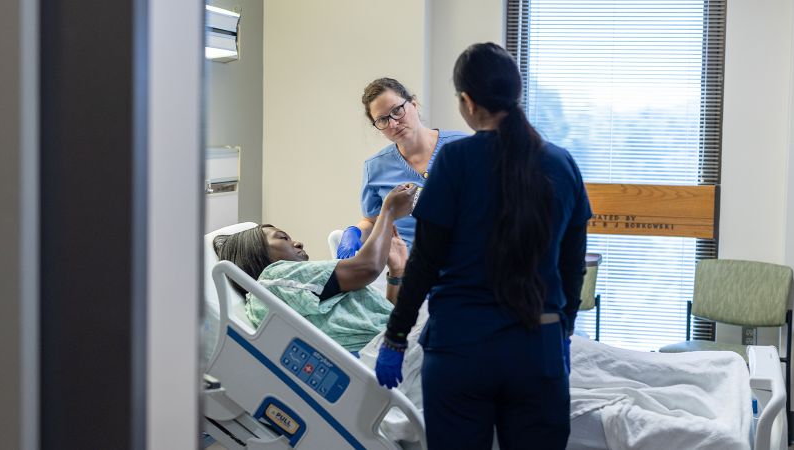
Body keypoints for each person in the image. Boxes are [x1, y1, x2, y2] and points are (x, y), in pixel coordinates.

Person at [374, 43, 592, 450]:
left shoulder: (455, 160)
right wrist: (563, 334)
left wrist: (396, 337)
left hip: (460, 350)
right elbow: (572, 266)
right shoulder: (562, 163)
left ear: (468, 102)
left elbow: (425, 262)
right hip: (536, 349)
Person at [214, 184, 415, 353]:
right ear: (256, 253)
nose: (299, 243)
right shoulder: (272, 278)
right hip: (387, 355)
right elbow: (368, 268)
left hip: (396, 345)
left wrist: (397, 272)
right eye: (283, 238)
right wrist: (387, 211)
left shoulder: (298, 289)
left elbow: (382, 319)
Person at [334, 78, 468, 259]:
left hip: (469, 262)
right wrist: (355, 233)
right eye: (382, 120)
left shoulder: (462, 146)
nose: (393, 124)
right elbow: (374, 221)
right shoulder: (375, 168)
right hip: (414, 270)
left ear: (413, 103)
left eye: (397, 110)